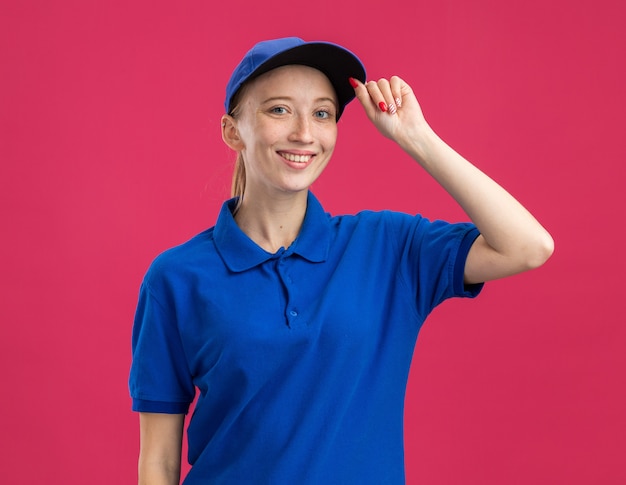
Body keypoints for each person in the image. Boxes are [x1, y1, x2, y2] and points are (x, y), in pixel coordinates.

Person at [129, 37, 554, 484]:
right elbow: (158, 461)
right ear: (232, 131)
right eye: (278, 109)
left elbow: (528, 246)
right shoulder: (175, 278)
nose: (304, 134)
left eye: (322, 113)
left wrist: (417, 139)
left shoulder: (387, 248)